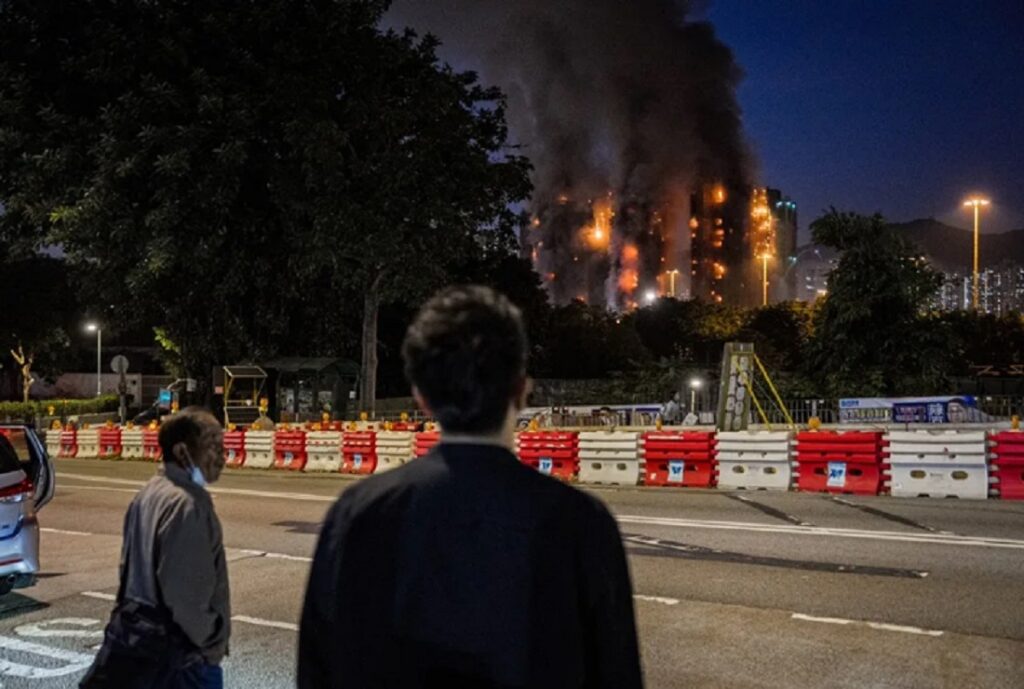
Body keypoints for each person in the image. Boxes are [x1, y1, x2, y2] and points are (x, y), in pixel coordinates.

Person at [299, 285, 643, 688]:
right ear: (521, 390)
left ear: (421, 398)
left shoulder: (357, 514)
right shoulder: (581, 523)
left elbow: (318, 669)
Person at [81, 408, 230, 689]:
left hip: (142, 642)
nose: (223, 455)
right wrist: (211, 642)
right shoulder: (187, 504)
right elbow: (184, 596)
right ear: (182, 451)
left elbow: (127, 568)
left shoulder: (148, 493)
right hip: (183, 658)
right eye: (212, 445)